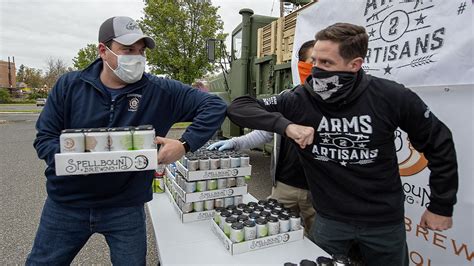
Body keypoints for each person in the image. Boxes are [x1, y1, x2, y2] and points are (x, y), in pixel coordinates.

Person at [227, 23, 458, 266]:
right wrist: (286, 126)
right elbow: (239, 107)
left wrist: (441, 205)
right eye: (314, 61)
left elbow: (439, 143)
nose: (316, 70)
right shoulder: (300, 98)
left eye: (326, 63)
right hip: (329, 219)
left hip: (383, 221)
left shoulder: (389, 96)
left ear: (354, 65)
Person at [27, 16, 226, 265]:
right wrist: (79, 160)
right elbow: (44, 139)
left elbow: (215, 105)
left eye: (141, 51)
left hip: (125, 207)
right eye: (128, 50)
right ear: (103, 50)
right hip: (67, 204)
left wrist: (184, 144)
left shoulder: (159, 91)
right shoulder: (69, 86)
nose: (137, 57)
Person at [207, 40, 318, 234]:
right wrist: (235, 142)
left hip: (319, 190)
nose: (320, 68)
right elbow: (265, 132)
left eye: (326, 62)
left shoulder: (336, 102)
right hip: (285, 186)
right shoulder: (289, 98)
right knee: (275, 234)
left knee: (318, 244)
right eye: (313, 62)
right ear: (301, 64)